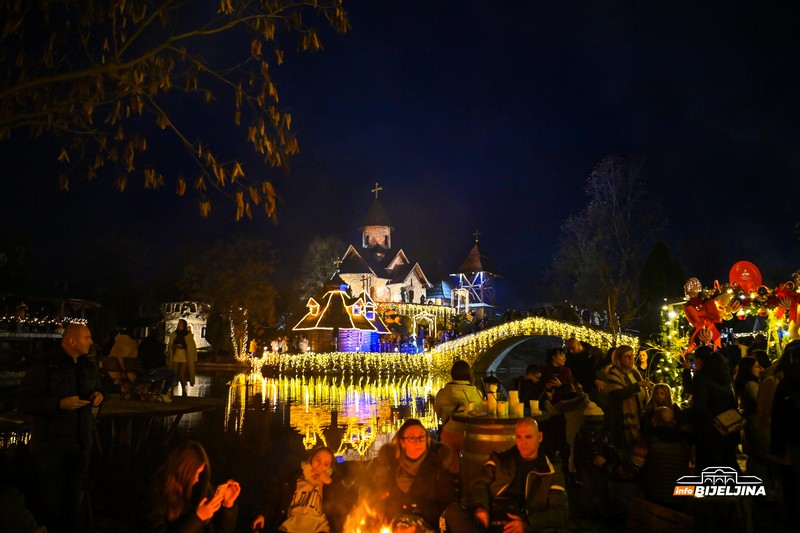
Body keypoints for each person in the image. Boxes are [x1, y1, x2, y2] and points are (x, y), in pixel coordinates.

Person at [16, 323, 106, 532]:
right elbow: (24, 402)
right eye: (87, 337)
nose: (91, 342)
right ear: (71, 341)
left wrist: (99, 396)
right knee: (48, 503)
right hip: (51, 448)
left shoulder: (87, 366)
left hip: (79, 444)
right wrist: (58, 404)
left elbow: (100, 388)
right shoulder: (44, 367)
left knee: (73, 502)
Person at [467, 417, 569, 532]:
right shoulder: (499, 459)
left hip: (522, 523)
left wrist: (527, 523)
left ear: (539, 437)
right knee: (452, 513)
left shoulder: (550, 473)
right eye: (519, 437)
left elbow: (560, 513)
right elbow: (479, 484)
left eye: (528, 437)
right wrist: (480, 508)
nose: (523, 442)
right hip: (492, 518)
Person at [366, 419, 464, 531]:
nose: (418, 442)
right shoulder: (391, 466)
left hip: (428, 525)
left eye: (421, 437)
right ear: (402, 443)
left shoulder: (438, 466)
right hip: (395, 525)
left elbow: (446, 507)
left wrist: (415, 511)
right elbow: (380, 500)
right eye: (412, 438)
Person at [144, 440, 240, 532]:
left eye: (199, 474)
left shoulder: (202, 490)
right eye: (195, 473)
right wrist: (197, 518)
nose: (197, 479)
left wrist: (227, 505)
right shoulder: (156, 497)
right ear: (183, 469)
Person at [253, 446, 353, 533]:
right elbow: (275, 498)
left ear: (330, 468)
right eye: (317, 460)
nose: (320, 466)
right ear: (310, 459)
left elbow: (346, 500)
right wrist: (263, 515)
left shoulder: (332, 483)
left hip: (318, 530)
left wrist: (329, 482)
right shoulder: (294, 478)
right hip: (288, 528)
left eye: (326, 464)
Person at [688, 346, 739, 472]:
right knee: (728, 463)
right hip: (729, 427)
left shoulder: (702, 378)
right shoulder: (726, 377)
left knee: (710, 468)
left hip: (710, 432)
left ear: (699, 360)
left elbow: (700, 406)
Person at [434, 359, 484, 471]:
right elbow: (480, 414)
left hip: (448, 432)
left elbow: (438, 413)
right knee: (471, 467)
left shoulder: (442, 393)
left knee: (449, 470)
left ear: (452, 374)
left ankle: (452, 487)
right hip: (468, 434)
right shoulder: (476, 393)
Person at [604, 345, 650, 459]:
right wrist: (637, 386)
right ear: (619, 359)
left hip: (639, 418)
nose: (631, 359)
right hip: (622, 420)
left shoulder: (634, 372)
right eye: (627, 356)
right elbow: (618, 394)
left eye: (632, 355)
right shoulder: (614, 374)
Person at [138, 329, 178, 399]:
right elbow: (161, 361)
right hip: (152, 372)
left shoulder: (142, 344)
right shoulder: (158, 345)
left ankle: (153, 390)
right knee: (172, 373)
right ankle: (164, 393)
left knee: (161, 371)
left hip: (141, 372)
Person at [168, 319, 197, 396]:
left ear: (184, 325)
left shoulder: (187, 335)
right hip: (176, 355)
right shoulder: (174, 334)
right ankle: (171, 390)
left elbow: (192, 347)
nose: (179, 325)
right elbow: (171, 345)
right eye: (178, 324)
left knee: (181, 374)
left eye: (181, 324)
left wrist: (185, 348)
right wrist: (174, 346)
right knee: (173, 373)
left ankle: (184, 389)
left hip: (184, 356)